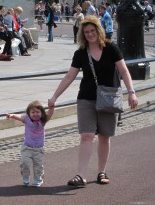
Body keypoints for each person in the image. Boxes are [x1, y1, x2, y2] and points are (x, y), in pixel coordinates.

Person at [48, 15, 138, 188]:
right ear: (82, 34)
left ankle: (101, 171)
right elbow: (69, 77)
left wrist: (131, 92)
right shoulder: (81, 53)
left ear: (98, 30)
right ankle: (80, 175)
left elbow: (124, 71)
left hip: (109, 98)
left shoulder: (111, 48)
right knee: (86, 136)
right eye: (86, 32)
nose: (90, 34)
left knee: (104, 137)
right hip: (86, 98)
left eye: (92, 30)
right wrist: (54, 97)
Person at [6, 100, 54, 187]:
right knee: (25, 164)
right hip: (27, 147)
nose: (35, 114)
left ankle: (38, 179)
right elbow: (20, 116)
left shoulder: (43, 120)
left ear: (42, 113)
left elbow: (50, 114)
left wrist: (51, 108)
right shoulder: (27, 119)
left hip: (38, 149)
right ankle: (25, 178)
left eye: (37, 112)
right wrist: (12, 115)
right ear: (29, 113)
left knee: (38, 166)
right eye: (33, 112)